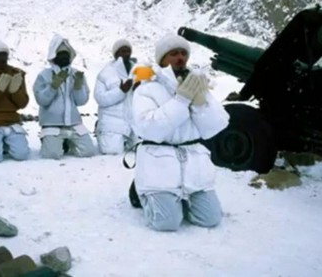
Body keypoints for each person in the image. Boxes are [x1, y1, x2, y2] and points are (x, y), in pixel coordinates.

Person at [130, 33, 229, 231]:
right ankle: (141, 191)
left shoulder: (195, 84)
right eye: (173, 53)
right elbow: (148, 128)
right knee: (167, 223)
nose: (180, 58)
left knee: (210, 219)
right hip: (160, 163)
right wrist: (181, 101)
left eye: (183, 53)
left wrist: (201, 103)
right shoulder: (146, 88)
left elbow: (216, 127)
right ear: (162, 59)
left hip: (193, 164)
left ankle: (180, 197)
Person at [33, 34, 96, 159]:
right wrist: (53, 87)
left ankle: (67, 142)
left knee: (88, 152)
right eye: (60, 54)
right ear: (54, 56)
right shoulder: (44, 75)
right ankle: (50, 141)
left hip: (73, 123)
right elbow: (42, 100)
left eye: (66, 54)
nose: (64, 57)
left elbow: (81, 101)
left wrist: (78, 87)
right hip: (52, 124)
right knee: (52, 155)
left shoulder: (76, 74)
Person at [94, 39, 137, 154]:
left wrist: (140, 89)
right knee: (112, 151)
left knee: (144, 150)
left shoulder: (138, 71)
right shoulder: (105, 73)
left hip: (134, 124)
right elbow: (100, 98)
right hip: (112, 124)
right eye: (123, 51)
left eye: (128, 51)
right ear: (116, 54)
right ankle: (101, 130)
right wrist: (121, 91)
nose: (126, 54)